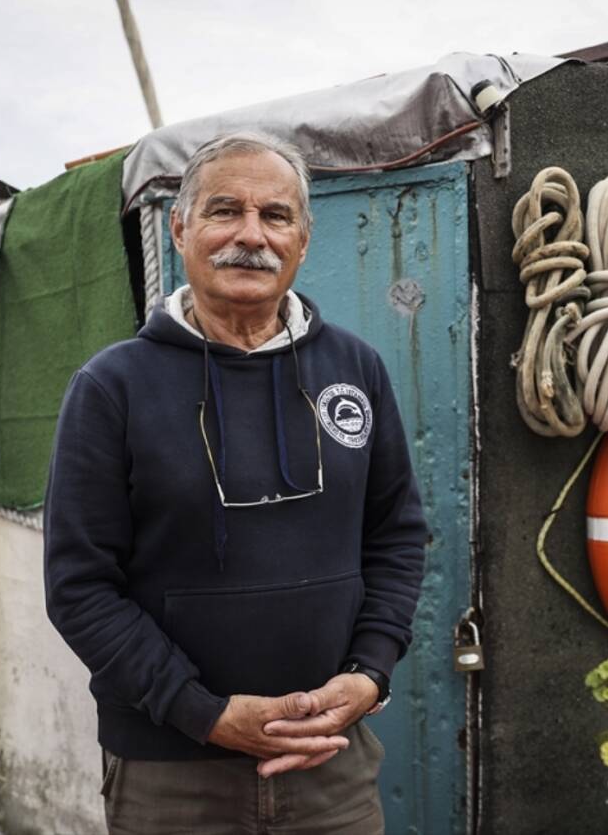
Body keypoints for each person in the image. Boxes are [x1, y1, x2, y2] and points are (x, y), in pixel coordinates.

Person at [43, 131, 427, 834]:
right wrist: (204, 713)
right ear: (180, 227)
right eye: (226, 211)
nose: (251, 235)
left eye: (275, 216)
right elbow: (80, 586)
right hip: (170, 771)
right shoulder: (112, 387)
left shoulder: (357, 369)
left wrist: (370, 673)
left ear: (303, 242)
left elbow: (396, 535)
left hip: (329, 761)